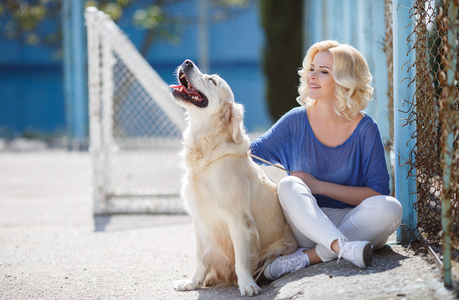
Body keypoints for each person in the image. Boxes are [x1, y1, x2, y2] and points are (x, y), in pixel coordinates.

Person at [250, 40, 403, 280]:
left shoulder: (365, 129)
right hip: (306, 223)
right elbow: (252, 152)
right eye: (312, 69)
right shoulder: (295, 120)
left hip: (355, 221)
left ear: (344, 80)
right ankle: (343, 248)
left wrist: (318, 186)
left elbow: (377, 192)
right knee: (288, 185)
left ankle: (308, 257)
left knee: (391, 207)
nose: (312, 76)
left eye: (323, 71)